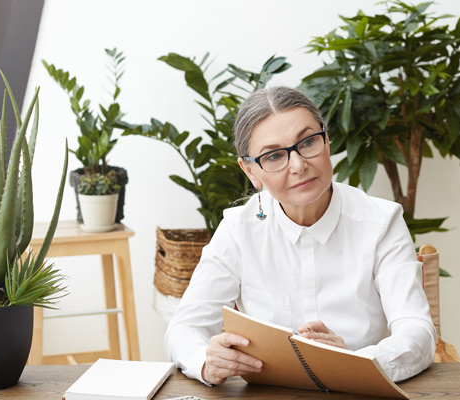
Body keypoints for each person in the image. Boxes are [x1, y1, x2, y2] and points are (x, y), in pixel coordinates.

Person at [164, 86, 436, 386]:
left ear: (326, 140)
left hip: (357, 391)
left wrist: (353, 363)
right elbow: (183, 329)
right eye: (273, 156)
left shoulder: (381, 222)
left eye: (307, 142)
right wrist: (207, 362)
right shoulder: (238, 230)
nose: (298, 165)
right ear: (251, 171)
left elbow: (417, 332)